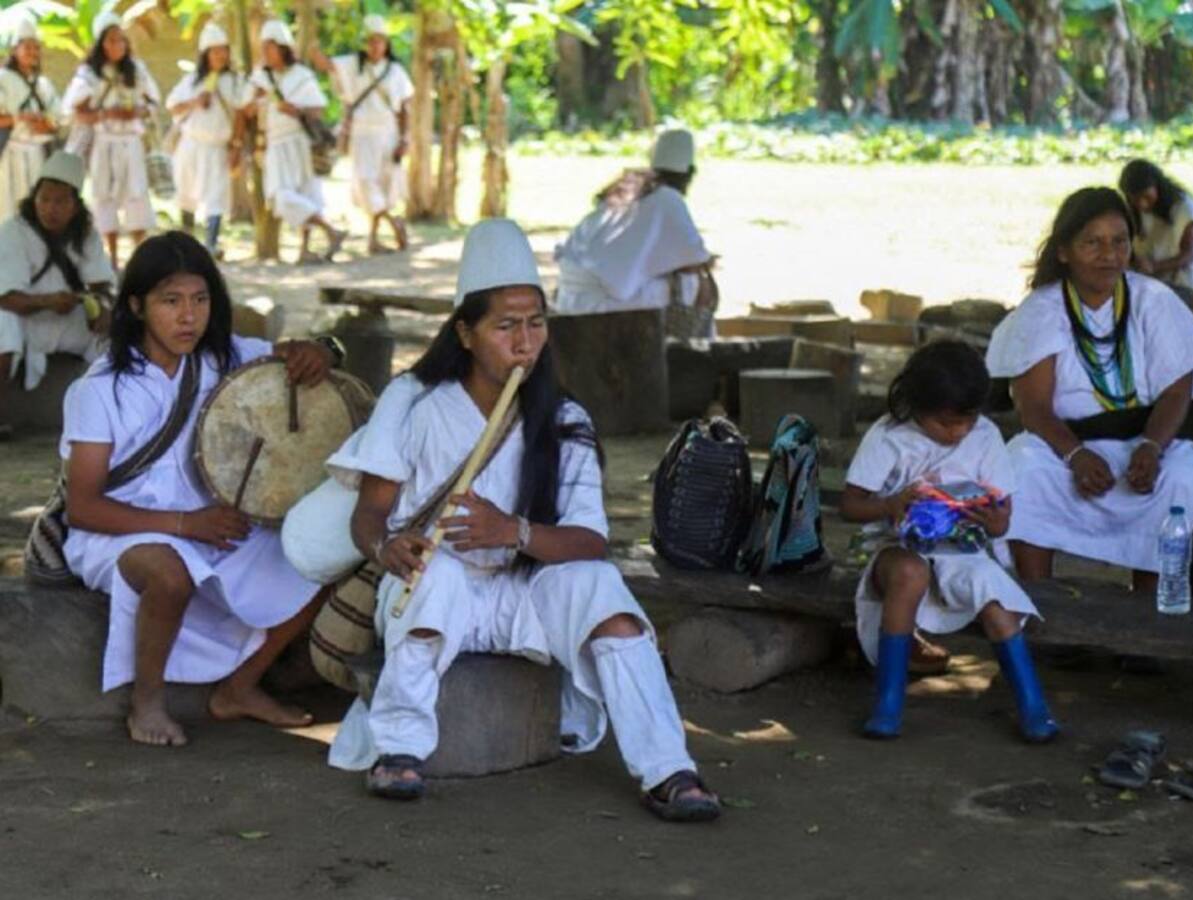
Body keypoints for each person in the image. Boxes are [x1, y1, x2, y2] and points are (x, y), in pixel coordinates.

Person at [324, 219, 720, 822]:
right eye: (505, 326)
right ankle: (398, 749)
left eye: (536, 324)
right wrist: (386, 548)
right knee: (436, 579)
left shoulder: (564, 420)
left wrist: (515, 532)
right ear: (465, 332)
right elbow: (368, 516)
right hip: (433, 590)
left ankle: (668, 768)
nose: (525, 342)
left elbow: (591, 541)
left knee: (605, 593)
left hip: (524, 594)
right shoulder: (416, 407)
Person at [59, 231, 340, 747]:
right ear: (138, 305)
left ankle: (239, 687)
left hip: (208, 528)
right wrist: (185, 525)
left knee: (321, 552)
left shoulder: (224, 358)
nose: (188, 316)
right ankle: (146, 704)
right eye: (171, 301)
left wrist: (316, 351)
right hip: (118, 534)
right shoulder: (99, 391)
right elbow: (83, 507)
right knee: (169, 573)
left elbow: (297, 356)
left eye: (200, 299)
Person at [840, 340, 1057, 743]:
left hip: (964, 552)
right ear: (915, 406)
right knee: (909, 572)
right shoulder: (889, 435)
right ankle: (888, 702)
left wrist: (993, 520)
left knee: (995, 598)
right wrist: (891, 504)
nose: (958, 433)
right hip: (895, 547)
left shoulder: (986, 436)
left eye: (967, 421)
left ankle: (1032, 704)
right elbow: (850, 506)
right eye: (945, 423)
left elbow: (1001, 519)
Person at [987, 187, 1193, 591]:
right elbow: (1034, 407)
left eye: (1119, 242)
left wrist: (1153, 447)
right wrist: (1076, 454)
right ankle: (1040, 603)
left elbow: (1177, 392)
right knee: (1023, 470)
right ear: (1064, 251)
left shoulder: (1154, 300)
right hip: (1065, 443)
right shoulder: (1042, 309)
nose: (1109, 254)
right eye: (1093, 243)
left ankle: (1148, 615)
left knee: (1184, 476)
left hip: (1147, 437)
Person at [553, 129, 718, 339]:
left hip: (570, 297)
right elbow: (696, 260)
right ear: (690, 173)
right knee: (693, 283)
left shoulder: (630, 187)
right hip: (602, 304)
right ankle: (689, 347)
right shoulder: (668, 198)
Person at [0, 151, 112, 439]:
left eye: (60, 201)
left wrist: (101, 308)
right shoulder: (14, 232)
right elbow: (5, 297)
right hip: (22, 321)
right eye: (44, 199)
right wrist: (46, 302)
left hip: (67, 321)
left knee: (117, 334)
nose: (51, 208)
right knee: (2, 324)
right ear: (33, 199)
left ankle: (106, 418)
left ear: (75, 205)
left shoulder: (86, 234)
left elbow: (102, 287)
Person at [62, 11, 161, 269]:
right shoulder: (89, 75)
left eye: (121, 40)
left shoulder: (137, 71)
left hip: (131, 142)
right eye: (111, 40)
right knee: (103, 197)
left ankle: (139, 258)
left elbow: (153, 103)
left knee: (137, 195)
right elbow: (74, 112)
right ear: (101, 44)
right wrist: (106, 113)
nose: (117, 45)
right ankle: (112, 259)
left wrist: (137, 112)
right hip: (104, 143)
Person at [243, 19, 345, 264]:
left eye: (271, 47)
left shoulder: (302, 75)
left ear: (283, 48)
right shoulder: (260, 78)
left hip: (299, 142)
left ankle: (305, 249)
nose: (267, 52)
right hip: (274, 144)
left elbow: (318, 108)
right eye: (264, 48)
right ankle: (330, 230)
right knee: (280, 196)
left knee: (306, 191)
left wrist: (296, 110)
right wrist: (257, 101)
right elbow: (245, 110)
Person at [311, 14, 412, 254]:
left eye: (379, 41)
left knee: (383, 184)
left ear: (386, 43)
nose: (375, 46)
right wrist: (313, 27)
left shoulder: (395, 71)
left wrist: (405, 138)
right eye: (370, 41)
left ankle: (374, 238)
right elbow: (324, 63)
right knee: (365, 181)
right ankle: (391, 220)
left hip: (388, 132)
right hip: (362, 133)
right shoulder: (352, 64)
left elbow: (405, 107)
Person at [166, 22, 244, 260]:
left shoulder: (235, 81)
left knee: (216, 195)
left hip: (217, 147)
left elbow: (240, 113)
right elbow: (173, 107)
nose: (221, 55)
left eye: (224, 50)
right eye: (215, 50)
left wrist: (236, 146)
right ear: (205, 54)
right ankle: (185, 242)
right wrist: (194, 102)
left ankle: (211, 244)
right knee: (185, 191)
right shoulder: (192, 81)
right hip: (191, 144)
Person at [0, 14, 60, 221]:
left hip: (37, 155)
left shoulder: (44, 85)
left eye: (36, 47)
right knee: (8, 210)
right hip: (9, 155)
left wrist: (45, 124)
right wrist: (20, 118)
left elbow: (57, 120)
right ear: (15, 50)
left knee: (36, 214)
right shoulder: (3, 79)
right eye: (27, 47)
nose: (33, 52)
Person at [1118, 159, 1193, 308]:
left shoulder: (1184, 207)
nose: (1142, 204)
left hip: (1179, 285)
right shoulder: (1132, 209)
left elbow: (1188, 255)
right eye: (1136, 199)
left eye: (1147, 197)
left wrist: (1154, 267)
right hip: (1145, 281)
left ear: (1158, 187)